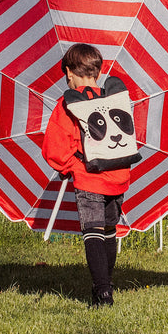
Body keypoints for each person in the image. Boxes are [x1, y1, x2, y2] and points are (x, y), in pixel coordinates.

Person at [41, 43, 132, 307]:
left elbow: (54, 149)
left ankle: (103, 292)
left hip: (89, 176)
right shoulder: (112, 97)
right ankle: (106, 284)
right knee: (109, 231)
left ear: (69, 72)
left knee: (92, 232)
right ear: (98, 71)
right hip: (118, 175)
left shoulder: (68, 104)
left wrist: (70, 167)